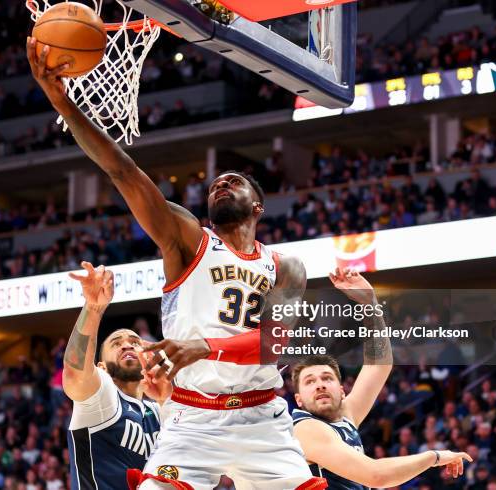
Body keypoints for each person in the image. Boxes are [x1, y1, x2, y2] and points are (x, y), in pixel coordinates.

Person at [27, 38, 324, 489]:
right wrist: (63, 104)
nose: (221, 185)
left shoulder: (287, 266)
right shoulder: (188, 240)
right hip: (193, 416)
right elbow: (123, 171)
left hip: (263, 416)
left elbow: (274, 341)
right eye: (215, 186)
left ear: (258, 206)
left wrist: (206, 346)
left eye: (235, 182)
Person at [291, 268, 471, 489]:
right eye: (310, 381)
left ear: (342, 390)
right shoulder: (306, 427)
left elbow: (379, 365)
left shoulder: (345, 415)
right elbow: (376, 476)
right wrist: (434, 457)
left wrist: (370, 303)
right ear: (299, 400)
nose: (319, 384)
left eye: (327, 378)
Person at [63, 261, 170, 490]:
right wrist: (93, 308)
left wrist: (166, 399)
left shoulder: (158, 410)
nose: (127, 346)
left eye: (134, 342)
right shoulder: (104, 397)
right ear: (101, 368)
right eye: (116, 343)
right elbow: (74, 373)